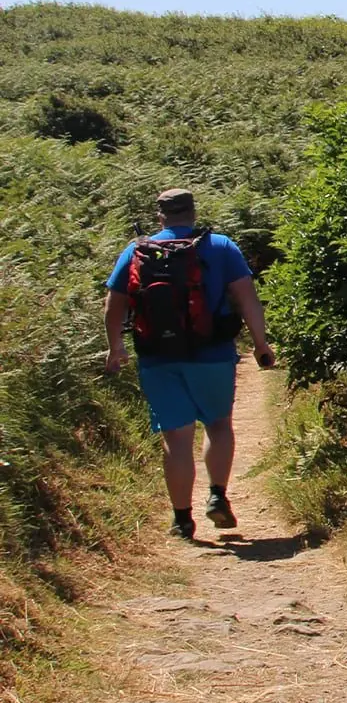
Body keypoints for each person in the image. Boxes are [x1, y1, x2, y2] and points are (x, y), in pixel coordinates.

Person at [104, 189, 275, 541]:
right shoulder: (221, 246)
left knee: (176, 437)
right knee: (218, 424)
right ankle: (217, 495)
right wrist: (260, 344)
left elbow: (114, 304)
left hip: (157, 356)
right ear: (193, 212)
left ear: (160, 216)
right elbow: (247, 298)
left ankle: (182, 520)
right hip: (212, 354)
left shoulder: (137, 251)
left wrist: (115, 347)